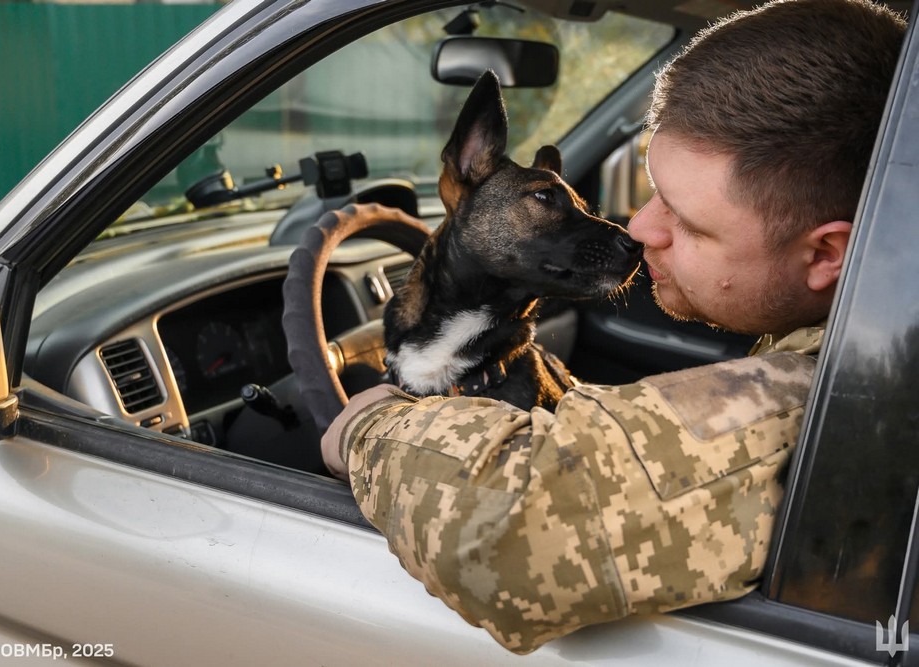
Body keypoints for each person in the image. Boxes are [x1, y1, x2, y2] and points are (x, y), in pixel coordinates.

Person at [320, 0, 906, 655]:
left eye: (686, 220)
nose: (638, 230)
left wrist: (364, 427)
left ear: (827, 254)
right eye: (653, 190)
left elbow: (514, 532)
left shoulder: (837, 404)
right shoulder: (868, 320)